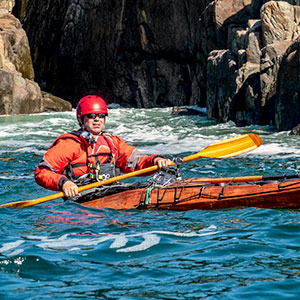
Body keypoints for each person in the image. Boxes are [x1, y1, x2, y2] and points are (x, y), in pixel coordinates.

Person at [35, 95, 171, 198]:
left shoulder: (112, 142)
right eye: (91, 116)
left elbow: (138, 163)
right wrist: (63, 183)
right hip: (81, 201)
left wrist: (155, 160)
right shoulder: (69, 144)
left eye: (101, 115)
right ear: (81, 119)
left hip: (111, 193)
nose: (97, 119)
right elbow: (42, 172)